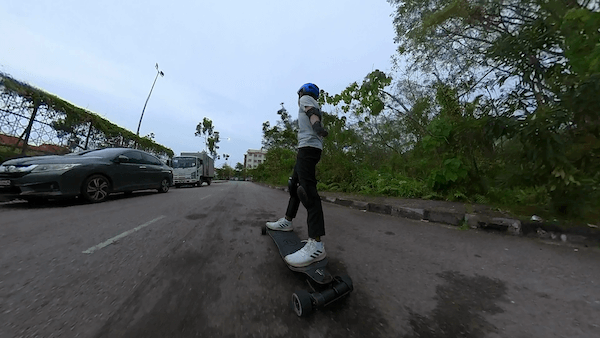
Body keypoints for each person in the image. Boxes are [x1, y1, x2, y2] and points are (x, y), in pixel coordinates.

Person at [266, 82, 329, 268]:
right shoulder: (311, 101)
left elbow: (311, 113)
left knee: (308, 191)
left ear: (302, 92)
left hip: (308, 148)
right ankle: (287, 221)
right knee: (294, 185)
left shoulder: (306, 99)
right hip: (306, 148)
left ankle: (316, 244)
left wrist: (317, 127)